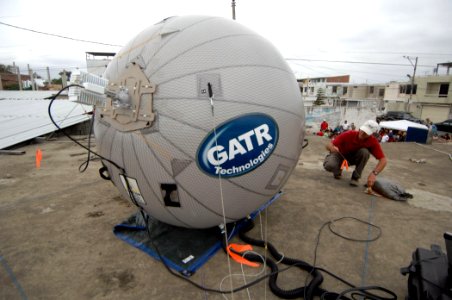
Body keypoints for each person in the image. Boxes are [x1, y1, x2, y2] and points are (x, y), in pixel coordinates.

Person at [323, 120, 387, 187]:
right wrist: (332, 148)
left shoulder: (373, 142)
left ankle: (355, 177)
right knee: (329, 165)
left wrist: (374, 174)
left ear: (372, 134)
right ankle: (338, 169)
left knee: (364, 152)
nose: (362, 133)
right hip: (339, 155)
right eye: (362, 130)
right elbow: (328, 145)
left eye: (366, 133)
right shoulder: (349, 134)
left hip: (352, 159)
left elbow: (383, 160)